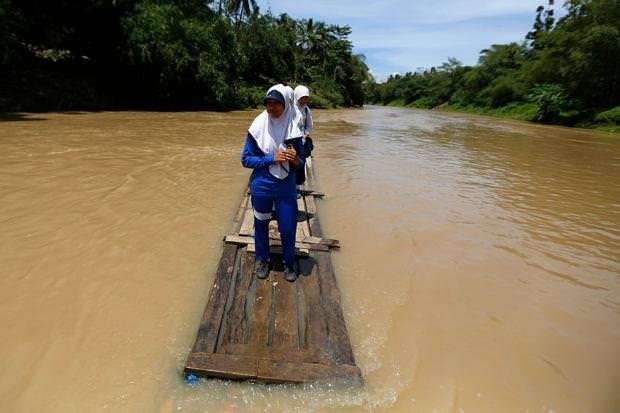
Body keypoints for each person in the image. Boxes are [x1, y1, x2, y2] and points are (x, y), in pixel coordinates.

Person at [241, 84, 305, 282]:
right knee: (260, 223)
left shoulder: (294, 129)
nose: (271, 107)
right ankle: (262, 259)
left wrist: (294, 159)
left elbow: (301, 162)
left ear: (285, 104)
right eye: (268, 103)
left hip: (286, 186)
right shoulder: (257, 127)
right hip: (262, 185)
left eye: (276, 103)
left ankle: (289, 261)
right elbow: (246, 159)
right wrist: (271, 158)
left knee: (287, 226)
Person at [293, 85, 314, 187]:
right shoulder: (290, 108)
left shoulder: (306, 110)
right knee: (290, 161)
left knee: (300, 161)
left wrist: (305, 134)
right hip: (290, 139)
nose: (304, 100)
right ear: (297, 96)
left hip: (302, 140)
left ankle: (297, 185)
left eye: (306, 98)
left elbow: (310, 125)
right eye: (302, 98)